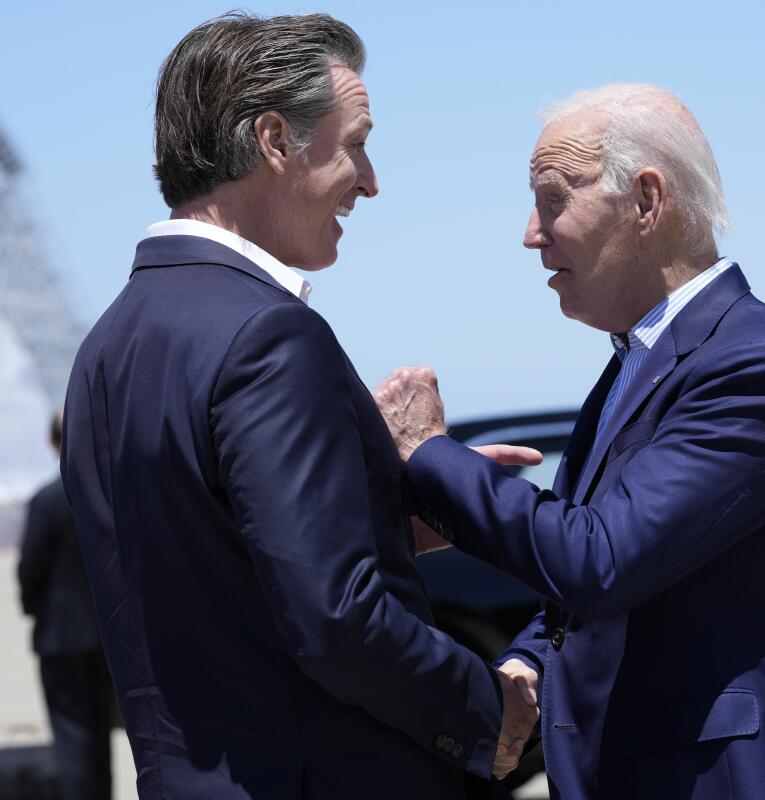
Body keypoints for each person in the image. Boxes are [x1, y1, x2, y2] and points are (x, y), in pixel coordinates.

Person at [59, 13, 536, 798]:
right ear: (275, 138)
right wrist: (490, 706)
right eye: (355, 143)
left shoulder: (108, 345)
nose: (372, 179)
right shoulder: (269, 334)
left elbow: (208, 561)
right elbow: (334, 618)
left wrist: (381, 510)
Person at [374, 83, 765, 799]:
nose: (532, 233)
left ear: (647, 202)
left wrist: (428, 451)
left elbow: (599, 559)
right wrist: (529, 662)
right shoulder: (639, 360)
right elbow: (628, 580)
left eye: (554, 198)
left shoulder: (753, 365)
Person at [18, 409, 113, 800]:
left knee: (72, 738)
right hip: (108, 634)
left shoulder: (46, 500)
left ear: (52, 442)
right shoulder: (109, 494)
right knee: (100, 735)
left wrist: (31, 607)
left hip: (60, 636)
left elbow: (30, 569)